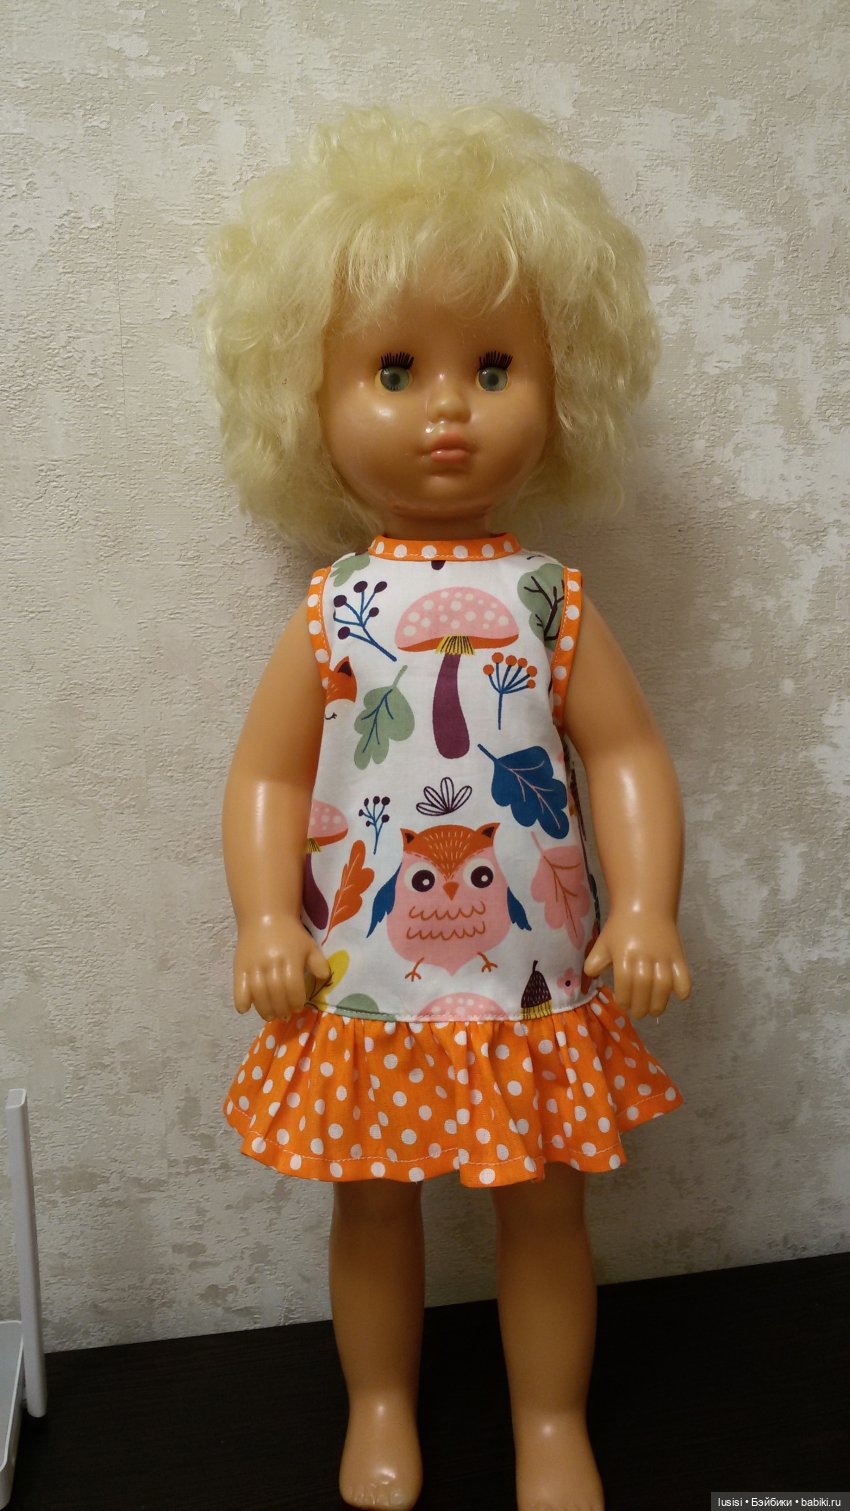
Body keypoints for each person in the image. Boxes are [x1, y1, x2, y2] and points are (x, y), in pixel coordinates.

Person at [197, 102, 692, 1511]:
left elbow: (627, 756)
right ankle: (378, 1408)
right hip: (364, 973)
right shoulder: (336, 607)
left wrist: (647, 906)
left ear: (563, 384)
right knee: (370, 1201)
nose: (448, 408)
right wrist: (262, 920)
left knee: (547, 1203)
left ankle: (551, 1426)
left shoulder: (550, 600)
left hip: (535, 973)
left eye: (493, 365)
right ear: (307, 400)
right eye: (395, 369)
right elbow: (267, 775)